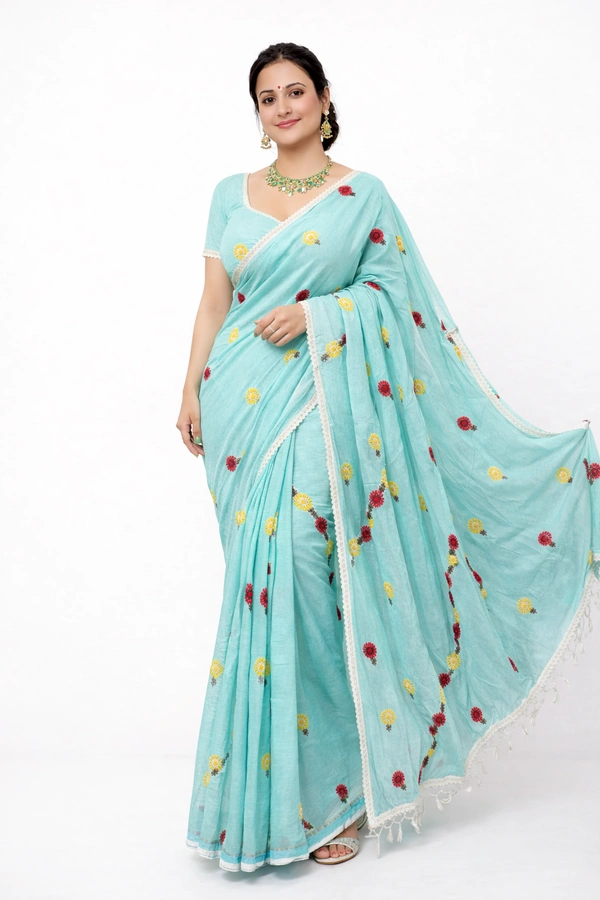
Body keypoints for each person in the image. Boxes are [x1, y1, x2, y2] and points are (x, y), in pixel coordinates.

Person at [177, 42, 600, 873]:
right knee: (263, 585)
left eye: (296, 91)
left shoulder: (362, 195)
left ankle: (339, 791)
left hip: (322, 400)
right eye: (268, 98)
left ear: (324, 97)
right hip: (239, 409)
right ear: (258, 114)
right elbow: (213, 303)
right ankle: (268, 795)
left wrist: (320, 315)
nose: (283, 107)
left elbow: (396, 298)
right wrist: (191, 388)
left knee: (308, 567)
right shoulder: (230, 194)